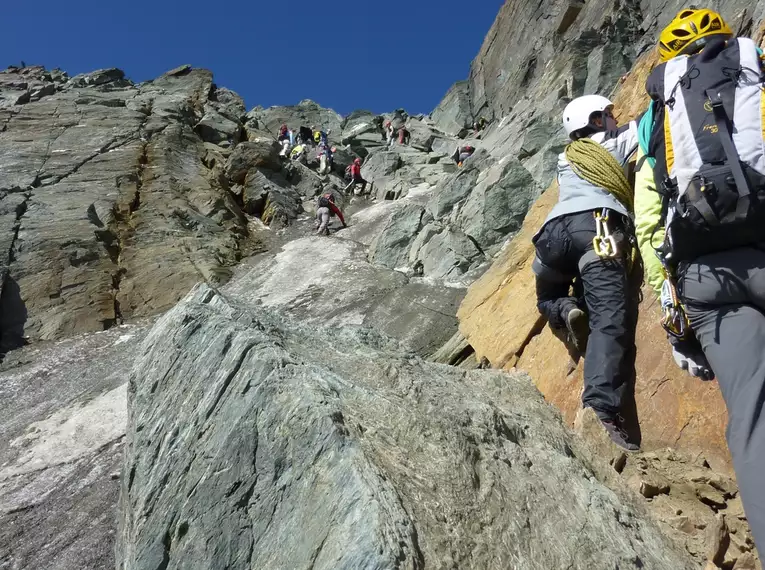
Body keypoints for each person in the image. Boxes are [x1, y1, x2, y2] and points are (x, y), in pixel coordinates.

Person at [634, 8, 765, 553]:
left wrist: (668, 295)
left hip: (703, 275)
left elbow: (648, 213)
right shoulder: (754, 73)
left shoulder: (656, 116)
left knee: (753, 419)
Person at [531, 94, 642, 451]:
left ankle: (566, 309)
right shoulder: (614, 141)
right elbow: (654, 119)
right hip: (597, 228)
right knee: (610, 319)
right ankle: (600, 409)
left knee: (547, 297)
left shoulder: (565, 158)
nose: (615, 118)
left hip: (553, 235)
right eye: (609, 115)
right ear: (596, 122)